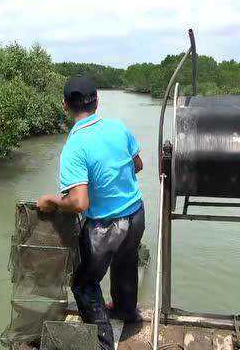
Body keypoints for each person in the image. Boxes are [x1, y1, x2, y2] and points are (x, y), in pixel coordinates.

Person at [37, 75, 145, 350]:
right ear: (97, 100)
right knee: (126, 262)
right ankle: (126, 311)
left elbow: (79, 203)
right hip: (136, 215)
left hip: (106, 228)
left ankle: (103, 344)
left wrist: (51, 201)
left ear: (65, 106)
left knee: (84, 285)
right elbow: (139, 165)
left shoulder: (75, 146)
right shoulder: (118, 128)